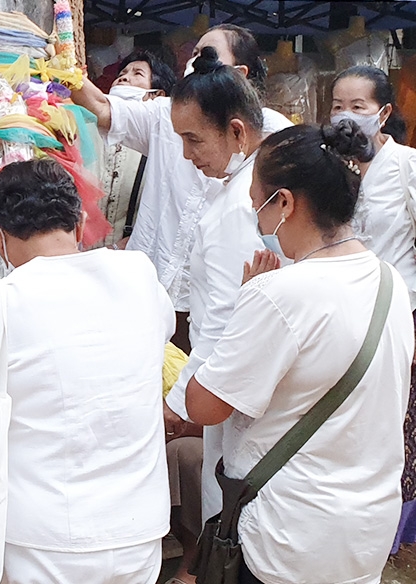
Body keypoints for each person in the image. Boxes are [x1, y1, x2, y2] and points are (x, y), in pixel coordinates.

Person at [185, 120, 412, 584]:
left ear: (285, 202)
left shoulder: (279, 294)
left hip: (288, 533)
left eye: (258, 207)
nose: (259, 223)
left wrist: (243, 311)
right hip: (365, 529)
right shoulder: (390, 282)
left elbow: (203, 405)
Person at [0, 158, 174, 584]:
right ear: (81, 221)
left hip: (42, 536)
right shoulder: (139, 274)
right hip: (139, 527)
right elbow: (160, 332)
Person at [71, 27, 290, 352]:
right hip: (149, 292)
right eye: (193, 54)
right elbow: (104, 109)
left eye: (207, 56)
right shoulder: (165, 113)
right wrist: (60, 67)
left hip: (215, 306)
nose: (187, 153)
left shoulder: (273, 138)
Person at [161, 47, 276, 528]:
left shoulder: (239, 206)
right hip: (237, 377)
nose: (187, 156)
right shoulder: (243, 188)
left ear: (236, 131)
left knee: (228, 512)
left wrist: (178, 400)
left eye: (193, 140)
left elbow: (228, 320)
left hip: (235, 382)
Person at [328, 66, 416, 549]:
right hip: (347, 317)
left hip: (399, 316)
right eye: (338, 106)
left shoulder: (406, 166)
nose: (346, 116)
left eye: (357, 107)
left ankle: (391, 537)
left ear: (382, 113)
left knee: (395, 428)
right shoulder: (333, 167)